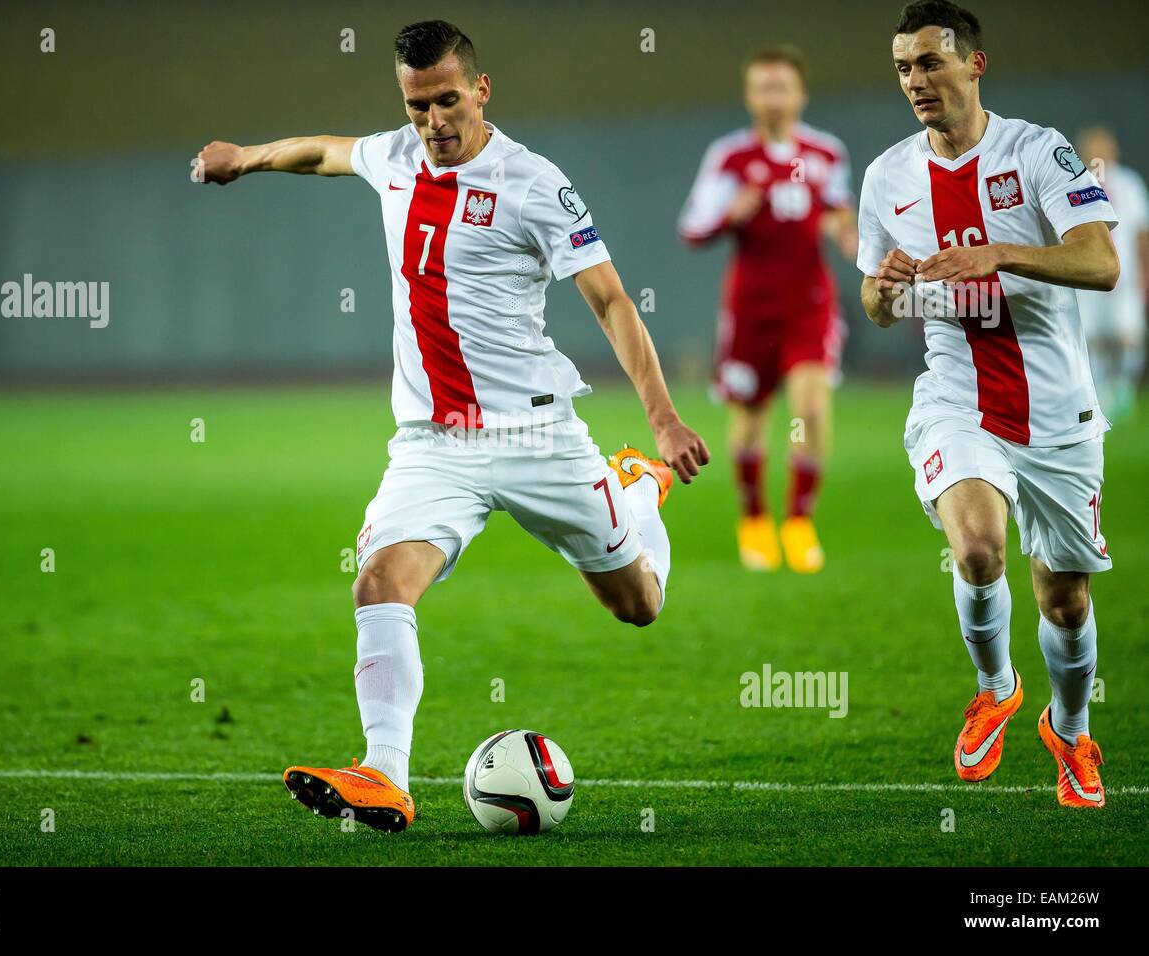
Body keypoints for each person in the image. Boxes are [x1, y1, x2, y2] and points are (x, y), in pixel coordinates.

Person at [195, 20, 708, 831]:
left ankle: (637, 488)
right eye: (415, 106)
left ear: (481, 89)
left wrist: (665, 419)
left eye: (445, 101)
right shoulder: (396, 155)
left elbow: (610, 297)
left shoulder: (534, 182)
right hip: (432, 444)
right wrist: (248, 158)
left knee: (639, 604)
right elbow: (327, 151)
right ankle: (384, 775)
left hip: (537, 437)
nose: (432, 122)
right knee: (378, 582)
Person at [858, 0, 1119, 807]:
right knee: (975, 548)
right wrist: (886, 288)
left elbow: (1102, 262)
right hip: (956, 394)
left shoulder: (1038, 151)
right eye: (904, 66)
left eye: (930, 62)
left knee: (1065, 600)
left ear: (975, 64)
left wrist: (999, 252)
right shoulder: (887, 176)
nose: (915, 80)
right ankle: (997, 684)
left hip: (1058, 408)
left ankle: (1071, 733)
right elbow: (872, 302)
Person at [679, 46, 857, 574]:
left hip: (810, 305)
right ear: (748, 95)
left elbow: (840, 212)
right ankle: (754, 519)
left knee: (812, 408)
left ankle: (799, 521)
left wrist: (847, 233)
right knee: (751, 419)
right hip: (750, 309)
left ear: (801, 93)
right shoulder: (730, 157)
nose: (773, 96)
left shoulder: (826, 153)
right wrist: (729, 214)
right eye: (763, 87)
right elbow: (692, 226)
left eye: (782, 86)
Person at [1073, 126, 1149, 422]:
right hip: (1087, 277)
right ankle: (1099, 393)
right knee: (1092, 339)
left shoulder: (1129, 185)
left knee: (1128, 337)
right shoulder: (1077, 184)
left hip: (1125, 277)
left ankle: (1124, 390)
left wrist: (1145, 273)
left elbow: (1141, 233)